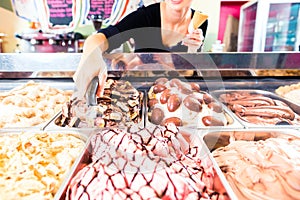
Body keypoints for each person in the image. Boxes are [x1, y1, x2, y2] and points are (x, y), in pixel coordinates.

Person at [73, 0, 208, 99]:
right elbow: (103, 37)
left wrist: (193, 50)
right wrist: (92, 54)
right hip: (141, 95)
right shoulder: (144, 16)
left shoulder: (200, 21)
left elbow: (190, 71)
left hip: (179, 98)